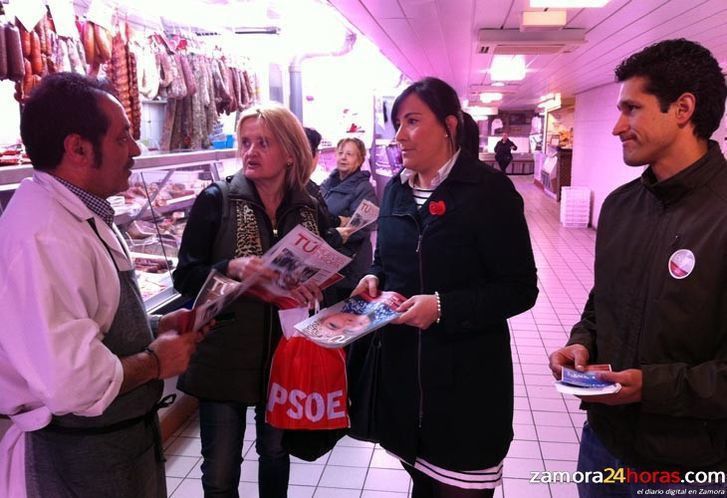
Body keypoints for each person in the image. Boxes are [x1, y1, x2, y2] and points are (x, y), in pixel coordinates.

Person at [0, 72, 203, 498]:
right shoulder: (44, 236)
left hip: (118, 443)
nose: (136, 149)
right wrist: (155, 360)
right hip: (82, 458)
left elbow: (96, 314)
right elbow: (72, 383)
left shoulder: (74, 212)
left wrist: (156, 325)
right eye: (122, 138)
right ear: (77, 148)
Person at [548, 39, 727, 497]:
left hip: (689, 466)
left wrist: (651, 387)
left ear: (683, 108)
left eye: (631, 109)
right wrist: (581, 343)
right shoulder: (621, 206)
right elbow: (602, 299)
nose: (615, 127)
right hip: (602, 448)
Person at [351, 77, 538, 497]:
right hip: (402, 381)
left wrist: (442, 307)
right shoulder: (398, 188)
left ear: (449, 125)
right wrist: (375, 277)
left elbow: (520, 288)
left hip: (465, 385)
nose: (400, 135)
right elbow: (390, 259)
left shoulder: (488, 192)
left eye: (413, 121)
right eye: (398, 123)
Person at [173, 104, 331, 498]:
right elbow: (185, 276)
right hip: (223, 355)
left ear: (291, 152)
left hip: (286, 357)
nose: (250, 152)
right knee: (221, 472)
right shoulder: (216, 199)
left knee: (276, 454)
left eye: (264, 142)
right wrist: (233, 266)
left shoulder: (311, 207)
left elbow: (327, 266)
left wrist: (322, 286)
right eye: (245, 142)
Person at [320, 137, 379, 300]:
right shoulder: (326, 184)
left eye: (349, 154)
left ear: (359, 159)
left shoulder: (363, 188)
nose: (343, 157)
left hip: (350, 265)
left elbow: (362, 226)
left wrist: (332, 232)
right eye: (340, 153)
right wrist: (338, 221)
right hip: (326, 262)